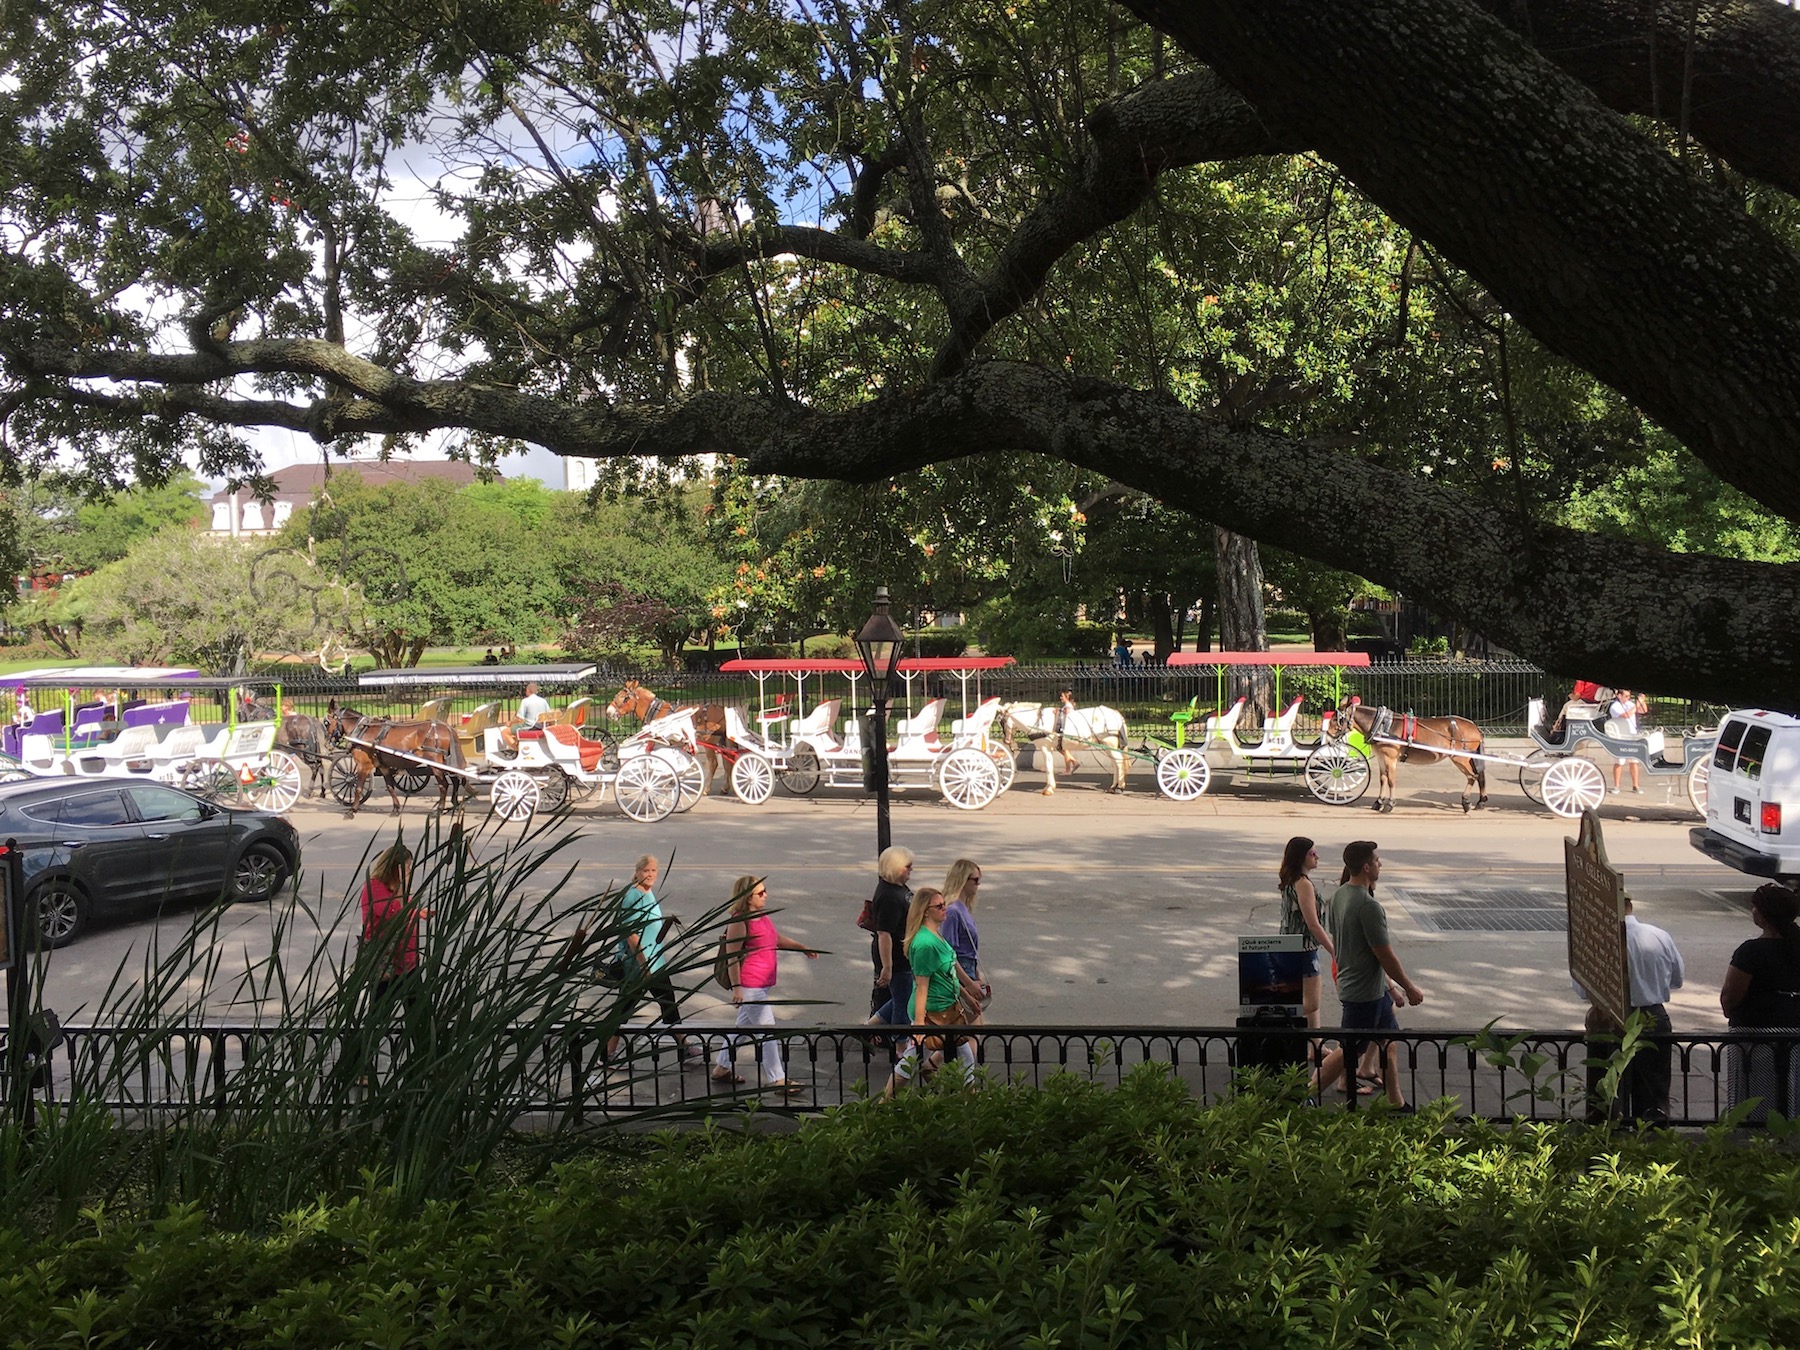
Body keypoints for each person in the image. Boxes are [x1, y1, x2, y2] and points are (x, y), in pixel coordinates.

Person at [1312, 841, 1424, 1109]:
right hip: (1364, 993)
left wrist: (1390, 989)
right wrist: (1408, 987)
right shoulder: (1368, 906)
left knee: (1388, 1044)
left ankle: (1396, 1105)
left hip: (1368, 989)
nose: (1380, 865)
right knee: (1348, 1052)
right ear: (1366, 867)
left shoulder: (1339, 896)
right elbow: (1383, 954)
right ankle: (1304, 1094)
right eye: (1376, 861)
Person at [713, 875, 818, 1094]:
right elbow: (732, 956)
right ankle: (778, 1080)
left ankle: (722, 1068)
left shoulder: (761, 916)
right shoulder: (740, 920)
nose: (765, 895)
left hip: (762, 984)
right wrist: (737, 988)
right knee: (768, 1033)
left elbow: (775, 939)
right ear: (747, 897)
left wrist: (802, 947)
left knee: (742, 1028)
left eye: (765, 890)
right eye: (760, 893)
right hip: (750, 986)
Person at [883, 888, 984, 1097]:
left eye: (943, 904)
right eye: (938, 906)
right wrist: (919, 1024)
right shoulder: (925, 944)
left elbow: (950, 967)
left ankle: (969, 1098)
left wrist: (967, 995)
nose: (944, 909)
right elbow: (922, 986)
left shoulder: (935, 935)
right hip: (932, 1012)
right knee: (913, 1058)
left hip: (947, 1009)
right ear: (925, 911)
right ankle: (885, 1101)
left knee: (963, 1056)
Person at [605, 855, 704, 1068]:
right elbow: (631, 935)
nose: (650, 875)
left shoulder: (647, 892)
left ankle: (683, 1045)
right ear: (637, 872)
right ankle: (607, 1054)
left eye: (653, 871)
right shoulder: (633, 896)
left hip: (655, 960)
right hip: (639, 964)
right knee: (625, 1008)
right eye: (646, 871)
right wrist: (643, 964)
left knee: (668, 1002)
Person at [1720, 883, 1800, 1122]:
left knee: (1755, 1097)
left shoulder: (1751, 952)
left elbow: (1730, 997)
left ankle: (1757, 1142)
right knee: (1792, 1093)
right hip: (1795, 1034)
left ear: (1762, 914)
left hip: (1755, 1038)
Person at [357, 842, 431, 1080]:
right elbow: (391, 913)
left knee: (417, 1015)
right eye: (407, 868)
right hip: (386, 964)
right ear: (395, 868)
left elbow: (404, 912)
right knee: (376, 1019)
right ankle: (362, 1069)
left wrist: (419, 913)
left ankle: (423, 1064)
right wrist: (409, 904)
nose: (410, 872)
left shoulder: (399, 888)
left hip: (408, 963)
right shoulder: (375, 888)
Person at [1618, 895, 1685, 1124]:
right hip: (1653, 1014)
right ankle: (1653, 1137)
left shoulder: (1598, 938)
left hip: (1614, 1015)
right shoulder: (1658, 935)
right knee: (1654, 1089)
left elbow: (1582, 989)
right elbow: (1677, 978)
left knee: (1610, 1091)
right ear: (1630, 906)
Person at [1277, 837, 1333, 1030]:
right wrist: (1334, 951)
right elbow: (1313, 924)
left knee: (1309, 1000)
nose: (1317, 856)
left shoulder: (1292, 880)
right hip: (1303, 949)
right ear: (1301, 857)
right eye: (1312, 853)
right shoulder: (1303, 884)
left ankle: (1315, 1045)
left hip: (1290, 946)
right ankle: (1274, 1019)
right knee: (1311, 1002)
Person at [865, 846, 915, 1023]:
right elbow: (884, 933)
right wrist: (888, 967)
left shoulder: (898, 887)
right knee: (904, 1003)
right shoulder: (888, 896)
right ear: (896, 867)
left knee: (902, 997)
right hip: (897, 958)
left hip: (905, 954)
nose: (911, 869)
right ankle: (902, 1045)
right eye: (907, 866)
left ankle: (869, 1028)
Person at [941, 859, 992, 1023]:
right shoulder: (953, 911)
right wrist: (968, 984)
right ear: (962, 880)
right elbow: (948, 955)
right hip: (960, 975)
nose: (978, 884)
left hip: (969, 971)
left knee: (969, 1034)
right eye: (975, 880)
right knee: (964, 1035)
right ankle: (914, 1050)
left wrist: (976, 975)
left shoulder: (963, 908)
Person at [1608, 688, 1649, 793]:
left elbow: (1643, 711)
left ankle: (1636, 785)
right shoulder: (1615, 706)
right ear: (1619, 696)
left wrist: (1642, 701)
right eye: (1626, 696)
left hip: (1631, 735)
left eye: (1629, 696)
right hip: (1620, 736)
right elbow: (1626, 715)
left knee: (1633, 760)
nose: (1628, 698)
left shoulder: (1630, 704)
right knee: (1619, 761)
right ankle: (1616, 786)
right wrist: (1636, 705)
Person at [501, 681, 550, 754]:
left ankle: (517, 750)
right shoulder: (543, 701)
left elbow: (519, 719)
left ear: (527, 691)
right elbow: (549, 714)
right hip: (541, 726)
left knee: (505, 732)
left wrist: (510, 723)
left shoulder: (525, 701)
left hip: (529, 726)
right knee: (516, 728)